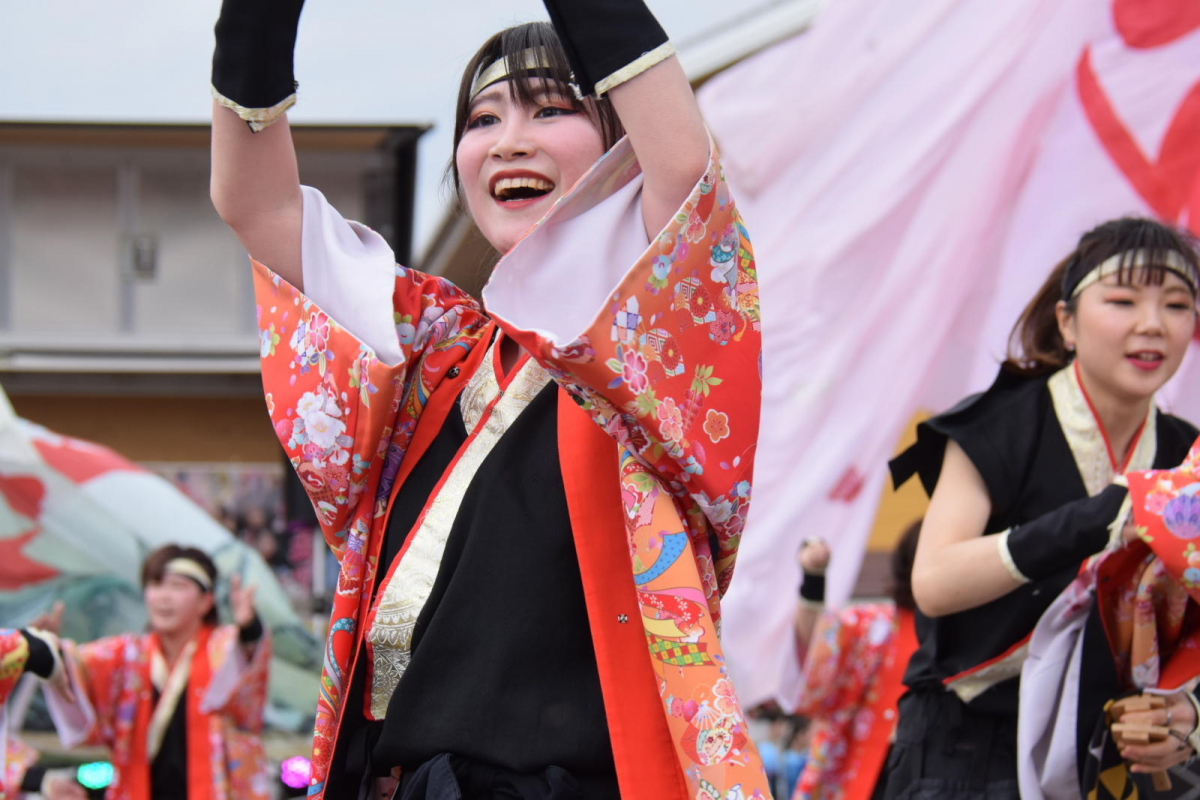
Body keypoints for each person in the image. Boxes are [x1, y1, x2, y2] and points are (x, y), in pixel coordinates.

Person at [209, 0, 765, 797]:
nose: (509, 139)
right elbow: (257, 205)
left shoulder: (658, 352)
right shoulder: (433, 347)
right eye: (482, 117)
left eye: (552, 108)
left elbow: (681, 164)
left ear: (619, 148)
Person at [883, 218, 1200, 800]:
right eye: (1123, 300)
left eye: (1177, 304)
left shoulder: (1188, 454)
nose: (1152, 324)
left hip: (1110, 758)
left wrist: (1189, 721)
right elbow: (933, 581)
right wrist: (1100, 515)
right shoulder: (999, 423)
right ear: (1067, 321)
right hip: (966, 748)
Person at [39, 545, 270, 800]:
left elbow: (248, 659)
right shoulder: (128, 654)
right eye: (156, 585)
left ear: (205, 601)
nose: (164, 597)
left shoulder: (221, 650)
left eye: (178, 587)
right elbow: (77, 667)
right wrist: (47, 650)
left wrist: (249, 626)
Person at [789, 522, 921, 800]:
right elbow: (819, 642)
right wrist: (813, 577)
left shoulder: (979, 631)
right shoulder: (877, 624)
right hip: (870, 772)